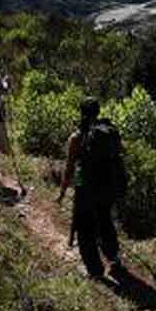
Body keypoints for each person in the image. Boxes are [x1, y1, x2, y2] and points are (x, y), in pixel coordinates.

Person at [60, 97, 129, 284]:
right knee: (105, 220)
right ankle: (114, 258)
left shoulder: (76, 137)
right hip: (106, 186)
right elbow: (122, 152)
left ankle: (95, 270)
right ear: (98, 112)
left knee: (85, 227)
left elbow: (70, 168)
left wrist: (63, 192)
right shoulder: (109, 132)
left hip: (85, 186)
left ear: (81, 113)